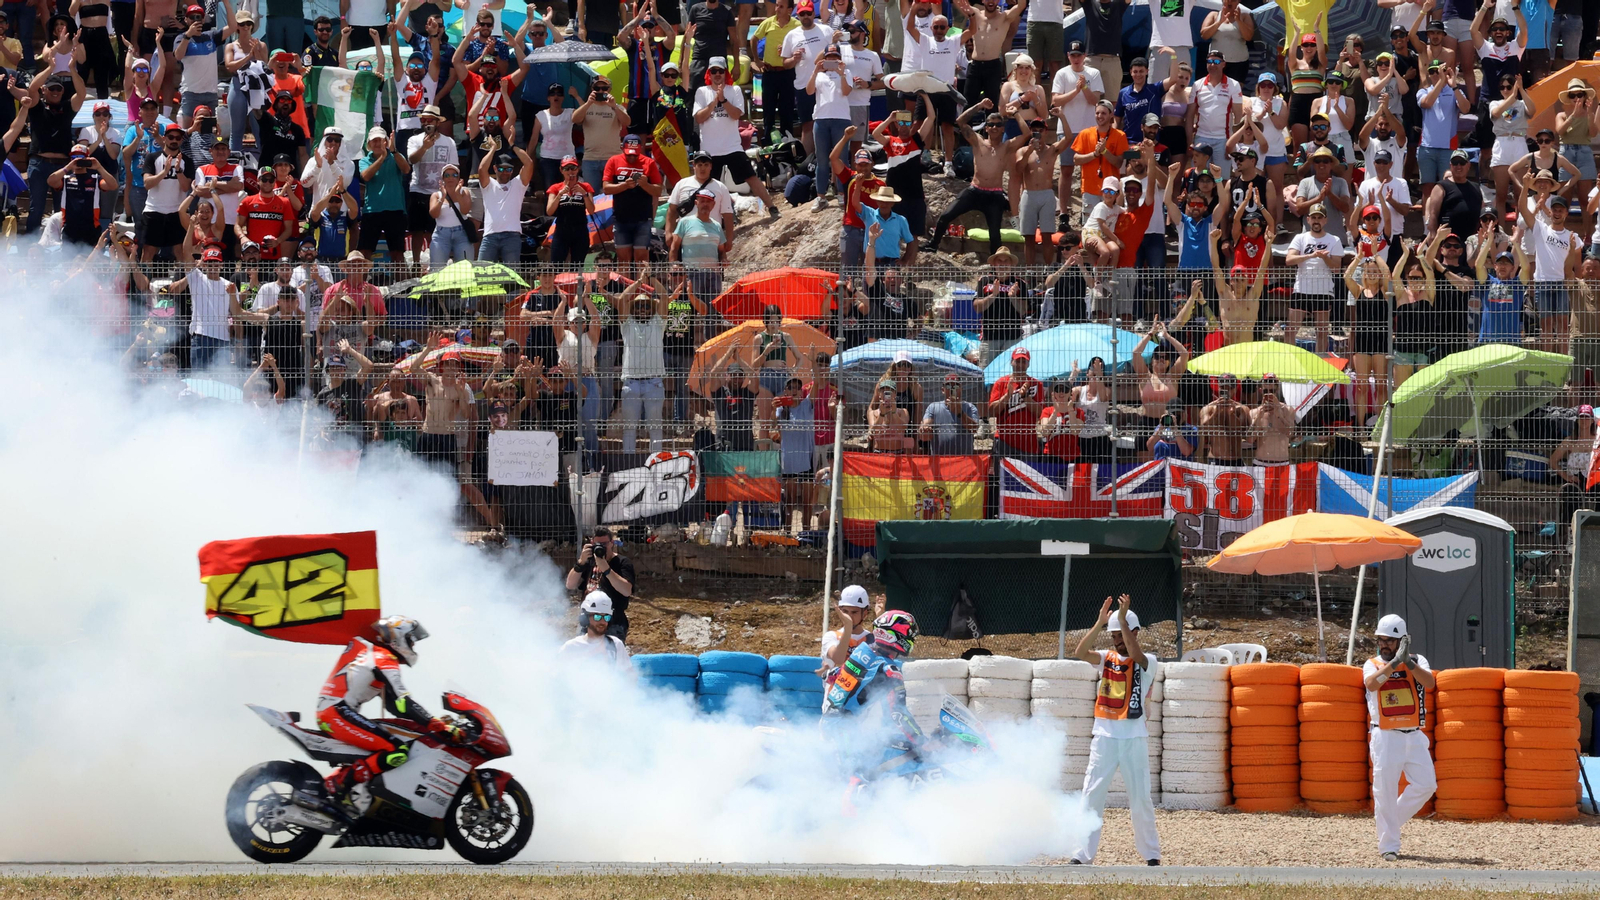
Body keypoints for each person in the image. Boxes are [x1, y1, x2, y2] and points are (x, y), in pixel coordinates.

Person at [310, 615, 460, 818]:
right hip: (337, 713)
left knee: (390, 744)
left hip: (334, 712)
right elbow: (403, 702)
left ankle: (352, 792)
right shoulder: (384, 659)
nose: (414, 644)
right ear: (399, 638)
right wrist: (437, 724)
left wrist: (425, 725)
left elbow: (393, 706)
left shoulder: (374, 654)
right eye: (411, 638)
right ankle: (338, 784)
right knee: (397, 751)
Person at [1070, 594, 1160, 866]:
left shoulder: (1149, 661)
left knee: (1140, 799)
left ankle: (1152, 855)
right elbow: (1080, 653)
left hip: (1134, 738)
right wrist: (1100, 623)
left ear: (1134, 632)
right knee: (1091, 796)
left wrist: (1121, 619)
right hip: (1105, 737)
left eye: (1121, 635)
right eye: (1114, 637)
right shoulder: (1106, 658)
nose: (1117, 641)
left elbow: (1134, 654)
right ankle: (1081, 855)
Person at [1363, 613, 1437, 862]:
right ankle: (1389, 846)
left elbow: (1429, 683)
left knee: (1427, 785)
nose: (1384, 644)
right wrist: (1394, 663)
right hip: (1385, 736)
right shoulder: (1372, 663)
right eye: (1381, 640)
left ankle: (1389, 822)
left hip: (1413, 735)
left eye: (1390, 641)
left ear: (1403, 641)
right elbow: (1372, 685)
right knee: (1384, 791)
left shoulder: (1419, 660)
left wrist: (1409, 663)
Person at [821, 609, 924, 786]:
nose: (911, 640)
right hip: (845, 730)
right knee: (855, 781)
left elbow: (832, 675)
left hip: (835, 723)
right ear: (895, 635)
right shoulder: (889, 669)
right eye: (909, 635)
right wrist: (922, 742)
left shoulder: (862, 650)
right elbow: (899, 713)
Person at [925, 102, 1027, 256]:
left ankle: (996, 266)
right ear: (986, 128)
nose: (994, 128)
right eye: (990, 125)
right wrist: (979, 105)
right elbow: (960, 121)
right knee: (946, 216)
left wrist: (1016, 114)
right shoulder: (978, 141)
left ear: (1002, 129)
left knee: (995, 234)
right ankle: (933, 245)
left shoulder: (1007, 147)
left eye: (998, 125)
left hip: (995, 195)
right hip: (975, 191)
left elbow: (1027, 134)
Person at [692, 56, 780, 217]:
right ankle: (707, 217)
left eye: (720, 71)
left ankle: (772, 207)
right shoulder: (701, 92)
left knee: (751, 178)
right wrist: (713, 102)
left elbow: (736, 115)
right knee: (707, 186)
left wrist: (723, 100)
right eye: (714, 71)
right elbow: (699, 118)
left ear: (725, 73)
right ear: (709, 73)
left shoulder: (735, 90)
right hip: (710, 149)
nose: (717, 74)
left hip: (732, 146)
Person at [1050, 41, 1104, 220]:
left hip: (1088, 129)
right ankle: (1064, 211)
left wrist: (1085, 87)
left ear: (1084, 56)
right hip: (1067, 129)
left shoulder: (1093, 73)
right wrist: (1076, 90)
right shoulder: (1062, 73)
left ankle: (1088, 211)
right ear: (1068, 56)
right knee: (1066, 170)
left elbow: (1094, 100)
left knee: (1088, 171)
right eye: (1073, 55)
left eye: (1079, 55)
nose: (1076, 58)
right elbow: (1056, 101)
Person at [1285, 202, 1346, 353]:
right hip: (1301, 289)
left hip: (1323, 291)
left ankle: (1320, 361)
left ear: (1325, 220)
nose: (1316, 220)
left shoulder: (1334, 240)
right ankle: (1288, 361)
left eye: (1320, 217)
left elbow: (1337, 268)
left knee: (1322, 332)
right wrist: (1311, 255)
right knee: (1291, 329)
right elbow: (1289, 260)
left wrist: (1325, 258)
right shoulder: (1300, 238)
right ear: (1308, 220)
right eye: (1314, 217)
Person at [603, 133, 663, 276]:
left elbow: (658, 190)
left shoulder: (649, 163)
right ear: (622, 148)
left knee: (642, 258)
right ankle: (625, 295)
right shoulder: (613, 161)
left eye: (635, 155)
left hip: (643, 218)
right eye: (629, 154)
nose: (632, 157)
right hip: (621, 218)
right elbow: (606, 188)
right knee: (623, 259)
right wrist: (624, 185)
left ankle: (642, 293)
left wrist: (645, 184)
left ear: (640, 149)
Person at [405, 105, 456, 268]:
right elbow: (411, 160)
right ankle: (416, 263)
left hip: (440, 192)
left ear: (437, 122)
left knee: (437, 229)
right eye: (423, 120)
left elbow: (454, 167)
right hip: (418, 189)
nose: (426, 123)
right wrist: (425, 147)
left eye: (430, 120)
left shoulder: (449, 142)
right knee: (417, 229)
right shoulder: (414, 139)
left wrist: (450, 192)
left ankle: (437, 262)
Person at [564, 527, 635, 640]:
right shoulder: (589, 560)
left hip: (612, 621)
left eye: (604, 544)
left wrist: (606, 569)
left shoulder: (622, 562)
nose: (601, 547)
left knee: (608, 655)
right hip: (587, 620)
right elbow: (570, 585)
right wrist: (580, 563)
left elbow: (626, 591)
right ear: (592, 543)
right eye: (597, 544)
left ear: (612, 543)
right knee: (581, 655)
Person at [356, 125, 412, 261]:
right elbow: (366, 176)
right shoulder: (364, 160)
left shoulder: (397, 157)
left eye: (380, 140)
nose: (377, 143)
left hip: (396, 210)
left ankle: (402, 283)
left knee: (398, 253)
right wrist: (381, 158)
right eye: (374, 141)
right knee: (365, 252)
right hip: (372, 211)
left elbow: (406, 169)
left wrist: (393, 152)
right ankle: (362, 283)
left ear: (386, 141)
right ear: (369, 144)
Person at [988, 346, 1045, 456]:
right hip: (1004, 440)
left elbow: (1040, 413)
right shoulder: (1001, 383)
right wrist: (1007, 396)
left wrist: (1026, 397)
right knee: (1001, 473)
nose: (1020, 365)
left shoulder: (1036, 384)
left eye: (1024, 362)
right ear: (1011, 362)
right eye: (1017, 361)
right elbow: (991, 412)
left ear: (1028, 364)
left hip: (1028, 442)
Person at [1551, 406, 1600, 528]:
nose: (1584, 421)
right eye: (1581, 417)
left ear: (1592, 420)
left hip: (1592, 480)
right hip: (1574, 481)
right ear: (1577, 420)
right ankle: (1569, 532)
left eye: (1587, 418)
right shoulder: (1570, 441)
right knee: (1571, 496)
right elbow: (1553, 461)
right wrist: (1566, 476)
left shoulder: (1597, 441)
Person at [559, 592, 633, 665]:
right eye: (597, 617)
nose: (602, 621)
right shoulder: (571, 647)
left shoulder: (616, 645)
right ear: (585, 618)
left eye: (606, 617)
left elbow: (629, 675)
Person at [919, 373, 979, 454]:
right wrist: (924, 429)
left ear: (961, 389)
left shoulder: (969, 407)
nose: (952, 389)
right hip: (941, 461)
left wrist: (960, 413)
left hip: (964, 460)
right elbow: (925, 431)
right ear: (943, 390)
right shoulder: (933, 407)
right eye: (948, 386)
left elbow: (974, 428)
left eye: (956, 386)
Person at [1199, 374, 1249, 465]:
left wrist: (1232, 414)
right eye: (1223, 388)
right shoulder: (1208, 409)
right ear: (1218, 388)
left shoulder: (1242, 409)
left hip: (1235, 459)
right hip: (1215, 459)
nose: (1227, 391)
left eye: (1229, 388)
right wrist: (1216, 412)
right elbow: (1204, 429)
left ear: (1235, 389)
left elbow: (1242, 431)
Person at [821, 584, 873, 672]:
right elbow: (838, 660)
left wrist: (881, 617)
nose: (849, 616)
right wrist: (848, 627)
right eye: (845, 611)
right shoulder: (831, 636)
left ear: (864, 614)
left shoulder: (872, 639)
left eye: (854, 612)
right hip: (835, 685)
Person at [1249, 383, 1296, 466]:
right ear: (1260, 391)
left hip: (1282, 463)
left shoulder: (1287, 410)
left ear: (1277, 391)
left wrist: (1278, 414)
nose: (1269, 394)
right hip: (1261, 462)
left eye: (1272, 391)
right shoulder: (1254, 412)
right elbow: (1250, 439)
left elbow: (1290, 434)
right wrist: (1258, 417)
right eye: (1265, 391)